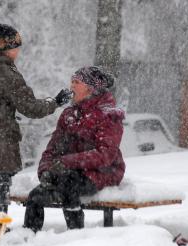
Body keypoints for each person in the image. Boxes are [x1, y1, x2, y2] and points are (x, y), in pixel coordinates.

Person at [0, 24, 72, 240]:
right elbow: (31, 108)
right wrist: (55, 102)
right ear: (6, 48)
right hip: (0, 140)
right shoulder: (9, 75)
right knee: (1, 183)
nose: (18, 52)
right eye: (15, 47)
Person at [23, 66, 126, 232]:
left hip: (103, 171)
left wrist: (66, 162)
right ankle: (28, 236)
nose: (71, 86)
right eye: (71, 81)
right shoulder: (69, 115)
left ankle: (75, 235)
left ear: (90, 88)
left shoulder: (108, 115)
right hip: (69, 171)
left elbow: (105, 155)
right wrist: (45, 171)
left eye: (76, 82)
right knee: (36, 195)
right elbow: (52, 149)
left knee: (68, 185)